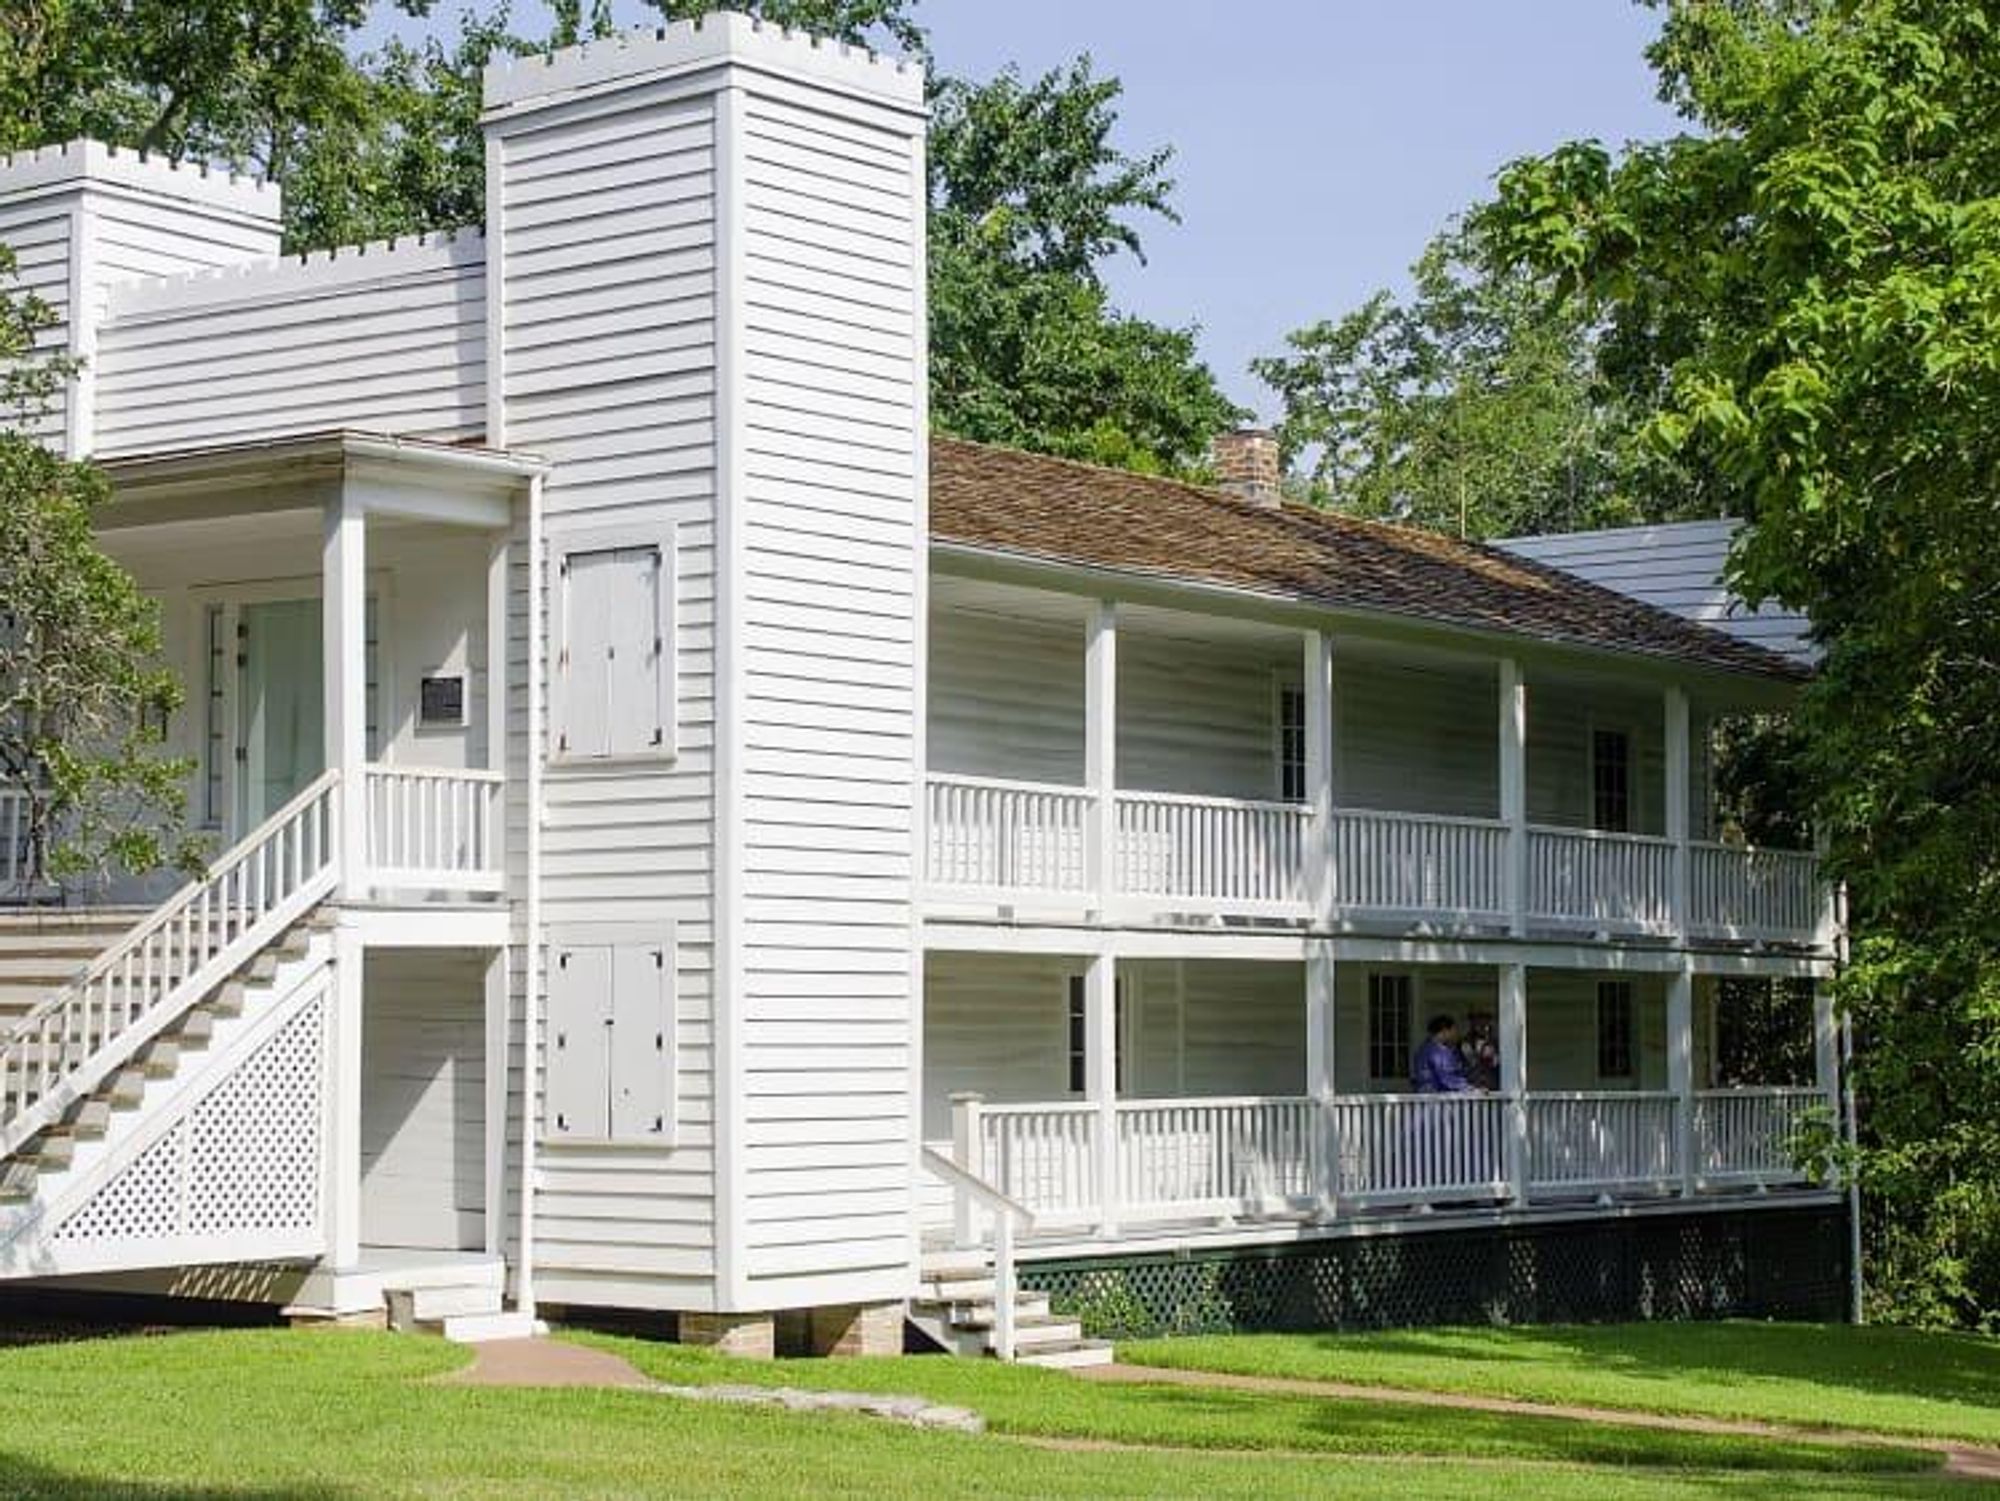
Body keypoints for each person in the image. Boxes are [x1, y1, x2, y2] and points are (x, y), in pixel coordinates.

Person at [1410, 1013, 1474, 1094]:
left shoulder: (1424, 1049)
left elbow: (1456, 1072)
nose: (1456, 1034)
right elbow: (1447, 1079)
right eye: (1453, 1030)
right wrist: (1470, 1088)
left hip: (1426, 1099)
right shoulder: (1437, 1052)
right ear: (1444, 1031)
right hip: (1436, 1100)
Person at [1459, 1012, 1500, 1092]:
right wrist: (1479, 1053)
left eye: (1486, 1024)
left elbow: (1497, 1062)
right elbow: (1470, 1061)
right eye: (1480, 1025)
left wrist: (1494, 1057)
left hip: (1492, 1084)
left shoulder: (1494, 1042)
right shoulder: (1466, 1042)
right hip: (1473, 1084)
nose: (1484, 1028)